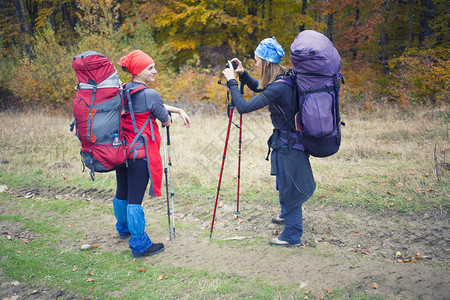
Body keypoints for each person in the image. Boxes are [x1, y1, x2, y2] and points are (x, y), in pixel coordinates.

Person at [222, 37, 316, 247]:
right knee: (284, 182)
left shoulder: (279, 86)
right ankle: (287, 215)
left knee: (288, 186)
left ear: (265, 62)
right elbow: (261, 90)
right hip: (288, 141)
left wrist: (231, 82)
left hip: (289, 144)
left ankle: (292, 235)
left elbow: (244, 107)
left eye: (256, 61)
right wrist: (243, 74)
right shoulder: (283, 77)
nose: (254, 64)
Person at [113, 50, 190, 258]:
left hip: (122, 151)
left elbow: (150, 105)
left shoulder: (124, 89)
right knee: (135, 200)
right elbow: (163, 118)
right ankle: (139, 245)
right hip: (141, 154)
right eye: (150, 68)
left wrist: (178, 110)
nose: (155, 71)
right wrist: (171, 116)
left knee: (122, 192)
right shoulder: (150, 94)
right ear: (139, 71)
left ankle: (123, 228)